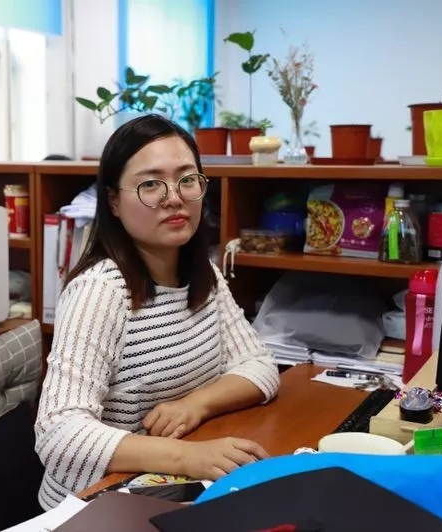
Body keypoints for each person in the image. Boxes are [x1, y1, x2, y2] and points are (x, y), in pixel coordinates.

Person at [34, 114, 280, 510]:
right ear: (113, 201)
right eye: (150, 184)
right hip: (94, 505)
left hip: (168, 491)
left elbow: (261, 365)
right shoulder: (100, 292)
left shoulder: (204, 274)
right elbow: (58, 433)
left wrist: (195, 405)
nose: (174, 197)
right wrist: (187, 457)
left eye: (187, 179)